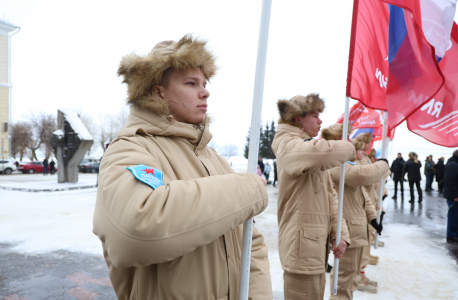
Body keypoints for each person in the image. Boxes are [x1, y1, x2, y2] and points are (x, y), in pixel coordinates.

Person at [93, 35, 272, 299]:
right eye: (191, 83)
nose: (205, 91)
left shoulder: (214, 158)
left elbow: (250, 242)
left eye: (204, 83)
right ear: (158, 91)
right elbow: (137, 231)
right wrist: (248, 188)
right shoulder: (130, 149)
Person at [272, 94, 355, 300]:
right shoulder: (287, 143)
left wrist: (340, 233)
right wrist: (350, 147)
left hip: (314, 248)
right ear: (298, 118)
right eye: (315, 115)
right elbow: (322, 152)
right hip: (301, 251)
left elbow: (331, 197)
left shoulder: (306, 144)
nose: (320, 121)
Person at [328, 137, 387, 299]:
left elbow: (364, 196)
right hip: (348, 228)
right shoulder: (337, 167)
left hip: (358, 226)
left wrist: (372, 217)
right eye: (359, 149)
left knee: (350, 273)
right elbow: (363, 176)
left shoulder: (349, 165)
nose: (362, 152)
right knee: (343, 275)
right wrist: (384, 164)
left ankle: (355, 283)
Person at [444, 150, 458, 242]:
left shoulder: (454, 163)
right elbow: (449, 181)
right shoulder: (453, 164)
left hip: (454, 194)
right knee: (454, 215)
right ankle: (452, 235)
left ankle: (454, 234)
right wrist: (455, 195)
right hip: (454, 196)